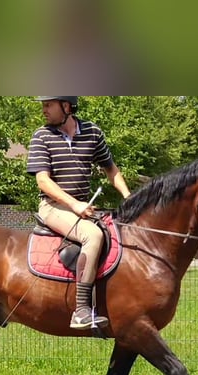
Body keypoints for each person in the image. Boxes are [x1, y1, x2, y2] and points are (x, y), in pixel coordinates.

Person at [26, 96, 131, 330]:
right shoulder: (41, 136)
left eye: (48, 104)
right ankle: (81, 311)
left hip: (82, 207)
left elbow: (111, 169)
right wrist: (74, 204)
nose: (43, 110)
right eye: (43, 105)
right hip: (53, 207)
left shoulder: (92, 132)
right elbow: (43, 181)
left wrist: (128, 197)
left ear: (67, 106)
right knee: (92, 236)